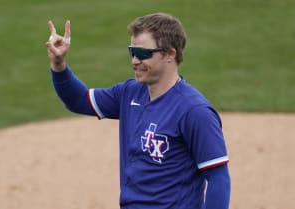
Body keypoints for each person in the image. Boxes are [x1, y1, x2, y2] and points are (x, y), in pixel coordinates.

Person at [46, 13, 231, 209]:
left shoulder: (194, 111)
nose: (134, 60)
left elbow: (218, 178)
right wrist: (59, 64)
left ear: (170, 54)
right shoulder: (129, 93)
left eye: (143, 54)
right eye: (132, 52)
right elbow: (78, 100)